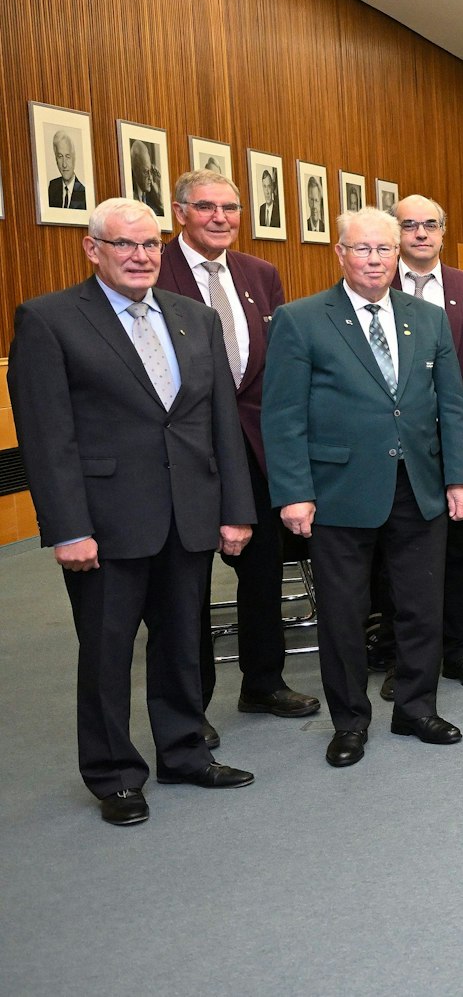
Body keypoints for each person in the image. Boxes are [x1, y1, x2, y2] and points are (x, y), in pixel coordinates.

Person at [10, 198, 257, 825]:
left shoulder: (194, 319)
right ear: (94, 249)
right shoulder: (50, 320)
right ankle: (115, 775)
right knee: (107, 654)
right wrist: (67, 527)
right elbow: (47, 438)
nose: (140, 256)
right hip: (106, 522)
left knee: (181, 643)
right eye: (124, 245)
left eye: (150, 244)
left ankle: (183, 751)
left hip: (189, 514)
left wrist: (235, 508)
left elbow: (219, 423)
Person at [262, 207, 463, 767]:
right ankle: (351, 720)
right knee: (343, 614)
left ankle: (415, 707)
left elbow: (451, 405)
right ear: (340, 254)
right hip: (338, 491)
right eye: (363, 249)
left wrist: (460, 477)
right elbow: (282, 416)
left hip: (420, 487)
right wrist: (293, 491)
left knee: (421, 608)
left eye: (384, 248)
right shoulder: (301, 319)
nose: (376, 259)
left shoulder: (425, 318)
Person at [156, 169, 320, 737]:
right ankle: (191, 704)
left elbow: (276, 367)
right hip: (185, 451)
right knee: (187, 579)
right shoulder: (156, 270)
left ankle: (263, 683)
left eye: (230, 207)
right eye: (206, 207)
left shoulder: (259, 273)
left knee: (262, 570)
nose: (220, 218)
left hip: (254, 446)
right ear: (180, 213)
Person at [392, 195, 463, 687]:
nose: (420, 234)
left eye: (430, 224)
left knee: (457, 551)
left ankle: (459, 649)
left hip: (458, 441)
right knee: (394, 557)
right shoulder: (369, 287)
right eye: (409, 225)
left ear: (443, 230)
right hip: (394, 449)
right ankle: (402, 657)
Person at [48, 130, 87, 209]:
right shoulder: (53, 186)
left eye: (68, 157)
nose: (64, 164)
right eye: (60, 156)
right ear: (56, 159)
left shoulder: (83, 193)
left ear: (74, 158)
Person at [129, 141, 163, 214]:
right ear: (135, 170)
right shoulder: (130, 198)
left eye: (150, 171)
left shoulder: (152, 198)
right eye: (145, 172)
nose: (150, 178)